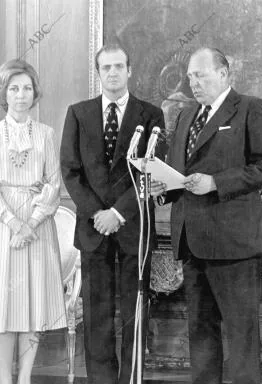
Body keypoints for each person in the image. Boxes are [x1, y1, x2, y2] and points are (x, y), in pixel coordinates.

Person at [151, 47, 262, 384]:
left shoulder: (250, 108)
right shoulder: (186, 115)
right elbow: (181, 173)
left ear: (224, 73)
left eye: (201, 74)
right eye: (191, 76)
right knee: (201, 333)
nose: (193, 82)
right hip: (192, 242)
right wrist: (162, 187)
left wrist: (216, 183)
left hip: (234, 244)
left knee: (241, 337)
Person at [60, 43, 165, 384]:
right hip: (93, 230)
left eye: (119, 66)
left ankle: (130, 379)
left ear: (130, 70)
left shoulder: (151, 115)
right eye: (106, 67)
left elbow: (151, 171)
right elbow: (71, 171)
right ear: (99, 72)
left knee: (135, 311)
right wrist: (97, 214)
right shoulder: (78, 113)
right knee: (97, 313)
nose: (113, 73)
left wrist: (118, 213)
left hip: (134, 226)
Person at [0, 59, 66, 384]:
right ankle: (3, 377)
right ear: (5, 93)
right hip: (3, 231)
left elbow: (53, 184)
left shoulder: (45, 134)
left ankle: (24, 377)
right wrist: (13, 223)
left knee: (32, 305)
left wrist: (32, 223)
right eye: (14, 88)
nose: (21, 95)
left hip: (37, 231)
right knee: (5, 305)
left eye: (27, 88)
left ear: (34, 92)